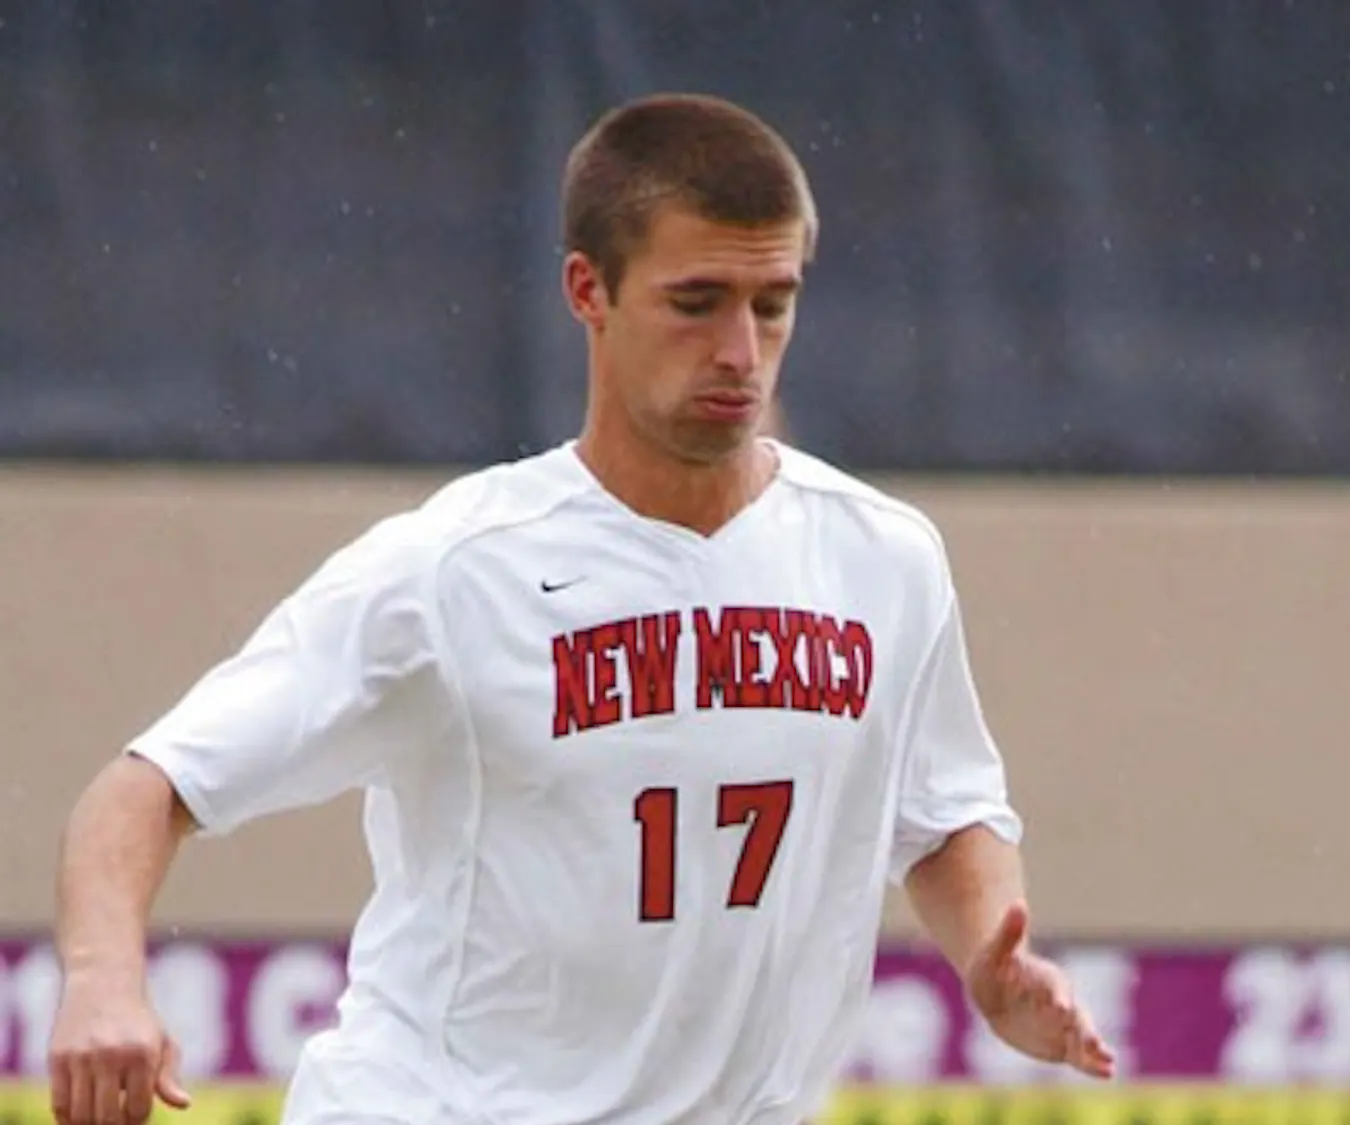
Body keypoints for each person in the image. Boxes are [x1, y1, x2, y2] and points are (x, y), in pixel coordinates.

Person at [47, 92, 1115, 1125]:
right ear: (586, 291)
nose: (741, 351)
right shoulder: (452, 572)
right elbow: (144, 789)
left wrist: (989, 954)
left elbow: (943, 813)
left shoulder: (886, 560)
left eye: (773, 304)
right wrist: (101, 980)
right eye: (696, 303)